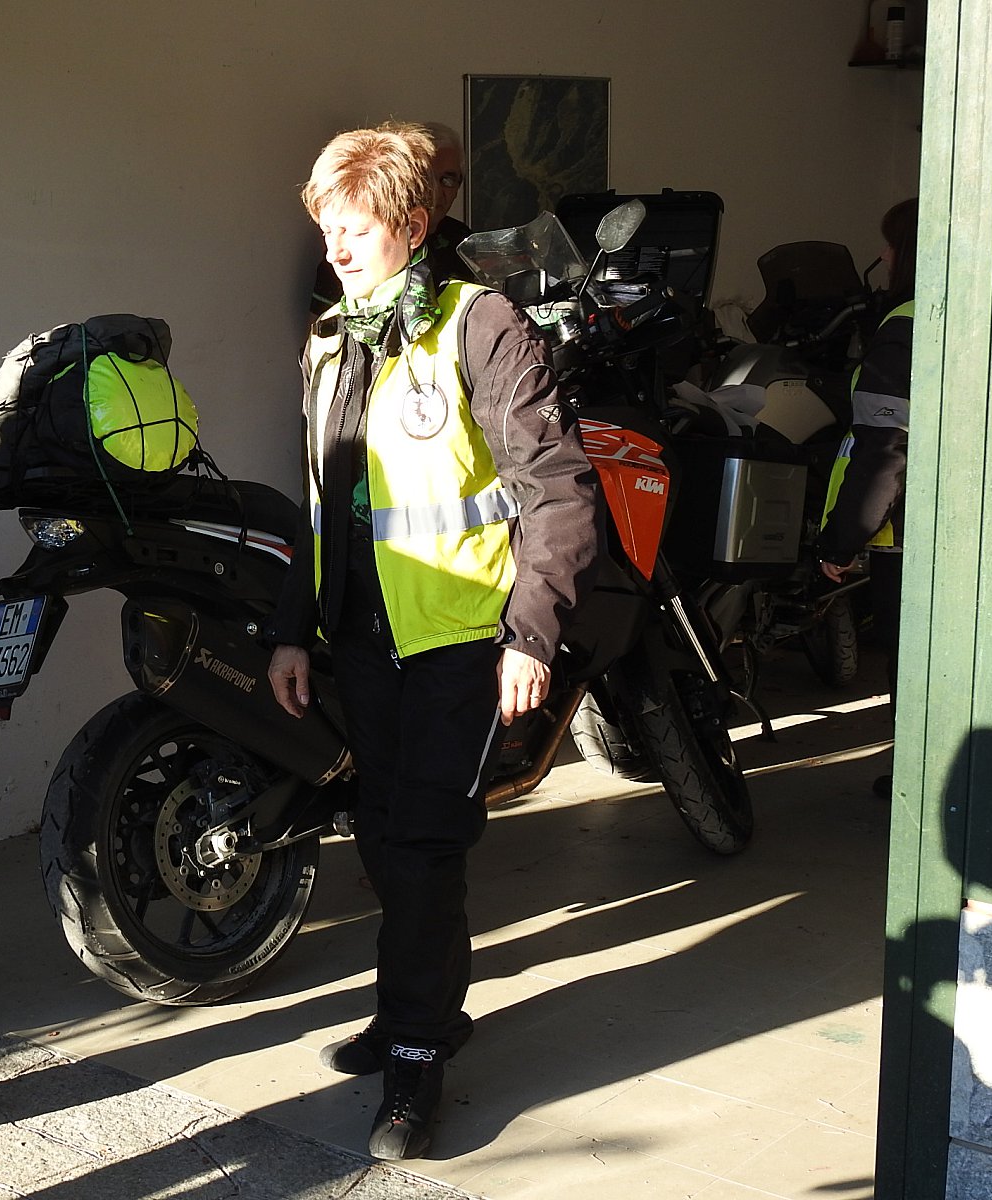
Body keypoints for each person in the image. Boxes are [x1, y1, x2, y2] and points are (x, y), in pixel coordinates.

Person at [267, 127, 600, 1161]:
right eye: (325, 230)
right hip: (363, 640)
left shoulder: (479, 323)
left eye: (355, 229)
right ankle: (413, 1010)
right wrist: (292, 631)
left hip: (462, 640)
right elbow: (322, 504)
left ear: (413, 226)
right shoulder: (330, 339)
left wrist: (530, 635)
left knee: (421, 844)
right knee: (379, 831)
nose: (335, 249)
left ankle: (416, 1055)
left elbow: (557, 489)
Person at [818, 196, 919, 799]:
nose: (883, 254)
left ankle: (920, 780)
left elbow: (884, 449)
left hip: (911, 535)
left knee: (914, 657)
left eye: (891, 243)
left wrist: (841, 539)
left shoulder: (904, 325)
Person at [307, 120, 475, 317]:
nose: (334, 255)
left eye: (447, 179)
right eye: (327, 231)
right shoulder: (344, 264)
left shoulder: (464, 242)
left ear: (414, 230)